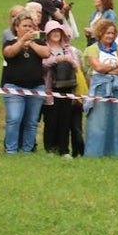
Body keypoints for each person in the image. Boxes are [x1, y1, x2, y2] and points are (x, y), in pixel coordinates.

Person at [2, 11, 50, 154]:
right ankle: (11, 150)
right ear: (16, 27)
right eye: (25, 26)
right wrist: (21, 42)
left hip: (36, 87)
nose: (28, 29)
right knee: (14, 119)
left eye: (30, 26)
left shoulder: (39, 42)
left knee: (32, 121)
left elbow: (46, 53)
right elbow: (9, 53)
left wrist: (32, 43)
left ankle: (27, 150)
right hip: (14, 88)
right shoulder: (10, 42)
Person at [83, 18, 118, 157]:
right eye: (106, 33)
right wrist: (115, 66)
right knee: (99, 120)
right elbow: (97, 67)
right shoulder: (92, 49)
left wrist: (107, 69)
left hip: (117, 87)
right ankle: (95, 153)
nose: (109, 36)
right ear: (100, 33)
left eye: (112, 33)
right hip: (100, 87)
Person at [41, 20, 85, 156]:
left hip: (67, 89)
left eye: (58, 31)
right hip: (50, 90)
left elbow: (77, 65)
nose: (55, 34)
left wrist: (69, 60)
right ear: (47, 34)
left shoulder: (69, 49)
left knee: (65, 121)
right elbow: (43, 63)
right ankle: (50, 149)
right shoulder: (45, 48)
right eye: (53, 31)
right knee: (51, 121)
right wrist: (56, 60)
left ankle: (64, 150)